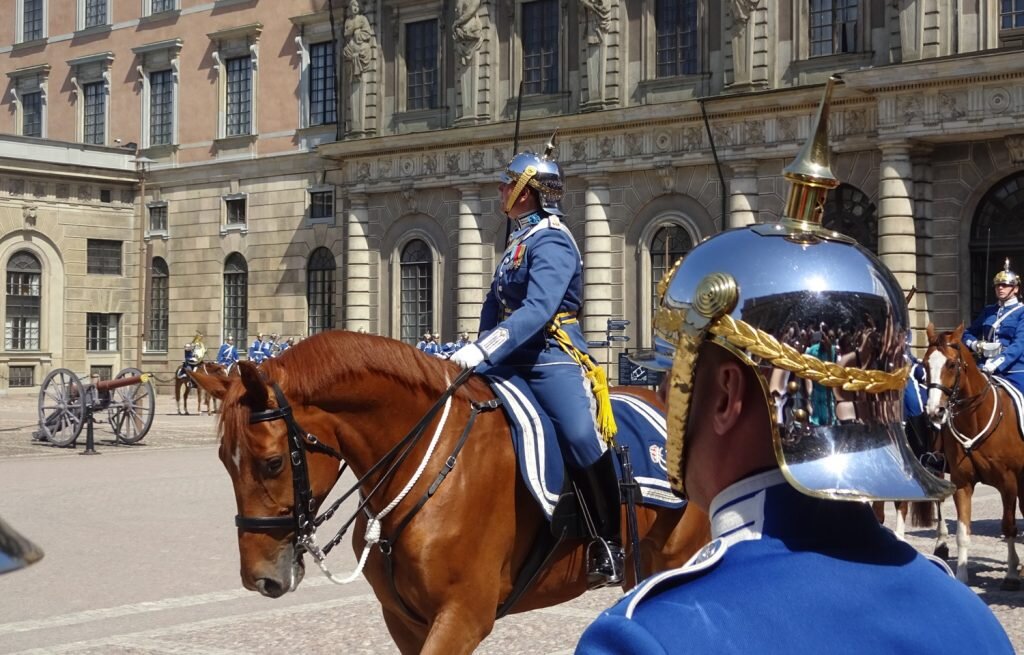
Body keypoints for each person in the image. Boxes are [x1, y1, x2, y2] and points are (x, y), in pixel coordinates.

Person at [577, 77, 1012, 654]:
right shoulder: (971, 621)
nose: (664, 388)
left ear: (727, 396)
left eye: (678, 369)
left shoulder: (649, 636)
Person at [450, 133, 624, 588]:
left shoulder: (554, 240)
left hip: (550, 355)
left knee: (581, 434)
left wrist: (487, 348)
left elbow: (539, 310)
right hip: (511, 354)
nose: (501, 191)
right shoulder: (516, 242)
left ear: (527, 191)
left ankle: (609, 539)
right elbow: (495, 303)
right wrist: (475, 347)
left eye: (508, 184)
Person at [962, 258, 1024, 394]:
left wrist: (996, 363)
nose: (1000, 288)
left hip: (1013, 370)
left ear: (1015, 289)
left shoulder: (1021, 312)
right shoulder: (988, 311)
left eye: (1005, 285)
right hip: (984, 367)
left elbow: (1019, 345)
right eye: (997, 285)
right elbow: (966, 334)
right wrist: (976, 345)